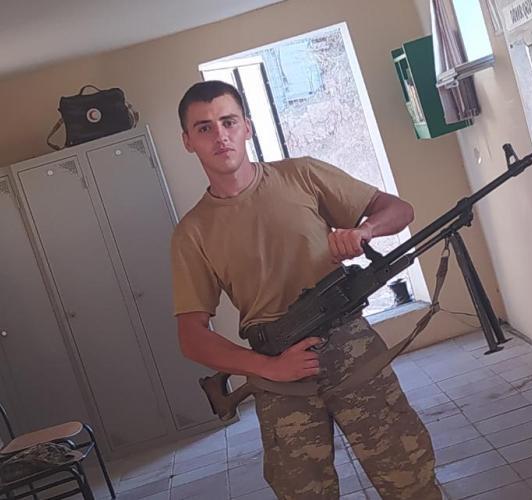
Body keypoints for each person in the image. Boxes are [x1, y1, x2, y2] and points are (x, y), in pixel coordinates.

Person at [170, 80, 441, 499]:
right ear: (188, 141)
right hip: (279, 372)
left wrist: (364, 231)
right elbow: (191, 336)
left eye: (228, 122)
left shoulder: (302, 175)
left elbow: (399, 209)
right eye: (204, 128)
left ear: (247, 127)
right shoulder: (192, 233)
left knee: (409, 478)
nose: (220, 135)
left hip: (352, 352)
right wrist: (267, 368)